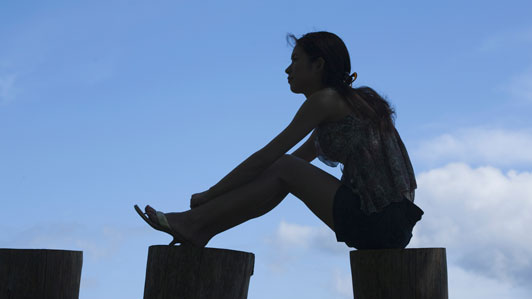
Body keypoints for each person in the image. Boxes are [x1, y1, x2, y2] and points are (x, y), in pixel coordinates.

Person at [135, 31, 423, 249]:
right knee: (282, 173)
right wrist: (217, 200)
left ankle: (195, 225)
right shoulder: (342, 111)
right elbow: (271, 174)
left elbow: (268, 157)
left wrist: (210, 194)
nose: (288, 70)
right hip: (393, 224)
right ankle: (200, 228)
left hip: (381, 221)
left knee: (283, 168)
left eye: (295, 60)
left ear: (318, 65)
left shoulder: (326, 100)